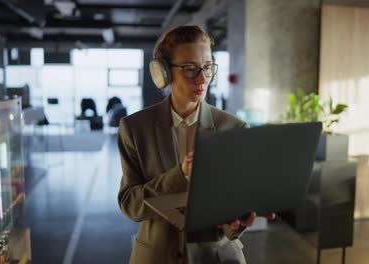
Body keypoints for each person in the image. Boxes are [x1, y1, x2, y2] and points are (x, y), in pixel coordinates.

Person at [117, 25, 274, 264]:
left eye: (208, 67)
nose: (202, 79)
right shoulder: (135, 129)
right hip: (157, 256)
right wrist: (180, 175)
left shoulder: (234, 129)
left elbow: (233, 211)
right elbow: (131, 205)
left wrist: (236, 223)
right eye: (190, 69)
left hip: (218, 257)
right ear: (163, 74)